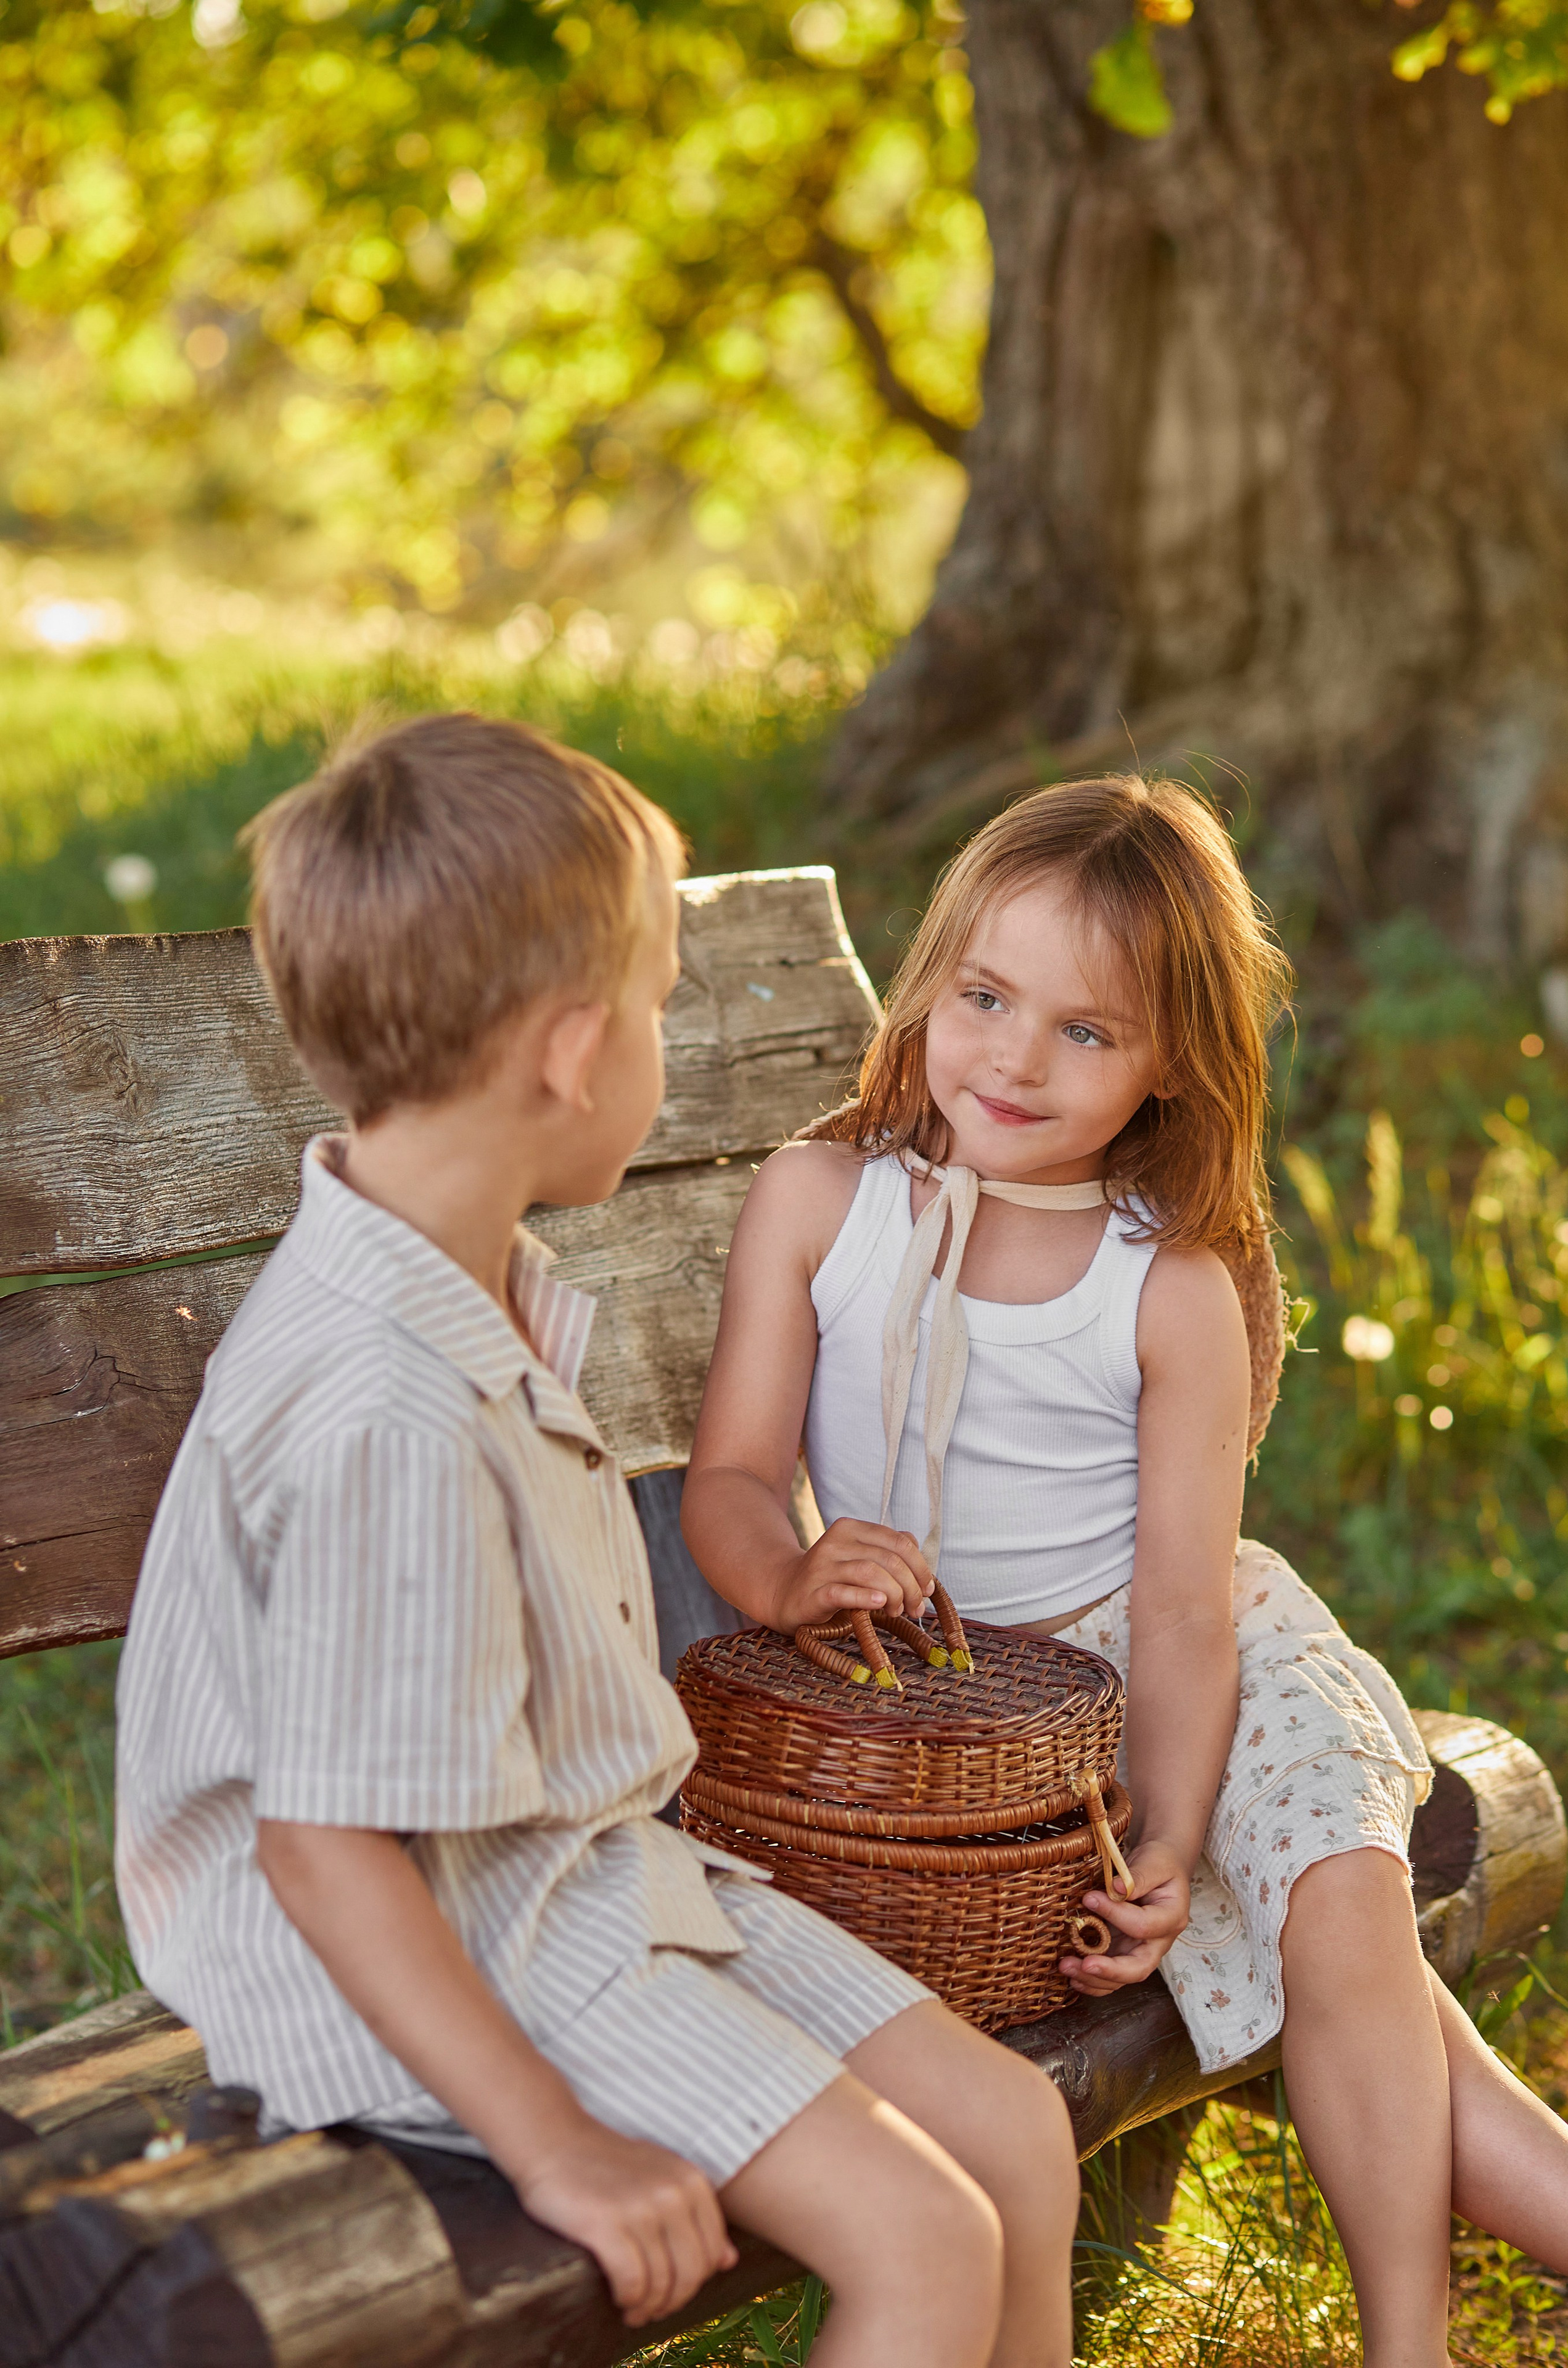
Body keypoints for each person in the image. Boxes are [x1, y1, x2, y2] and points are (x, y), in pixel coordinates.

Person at [113, 714, 1080, 2368]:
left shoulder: (458, 1277)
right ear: (571, 1051)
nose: (659, 1031)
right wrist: (555, 2146)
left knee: (1011, 2137)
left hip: (583, 1870)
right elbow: (328, 1853)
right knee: (923, 2241)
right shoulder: (381, 1407)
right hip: (428, 1948)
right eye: (653, 1000)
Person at [682, 775, 1568, 2368]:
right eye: (986, 997)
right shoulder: (822, 1207)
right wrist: (794, 1573)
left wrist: (1166, 1834)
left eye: (1086, 1033)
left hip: (1185, 1655)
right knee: (1372, 2002)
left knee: (1337, 1897)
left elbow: (1180, 1605)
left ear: (1173, 1066)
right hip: (970, 1706)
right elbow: (735, 1482)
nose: (1015, 1059)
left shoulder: (1167, 1281)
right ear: (933, 977)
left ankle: (1409, 2345)